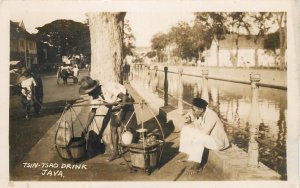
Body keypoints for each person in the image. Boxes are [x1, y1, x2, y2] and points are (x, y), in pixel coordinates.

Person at [79, 76, 131, 161]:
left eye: (89, 92)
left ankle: (132, 151)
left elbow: (125, 98)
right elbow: (92, 112)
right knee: (113, 129)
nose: (89, 94)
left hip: (127, 103)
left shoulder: (108, 87)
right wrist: (86, 127)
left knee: (129, 130)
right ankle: (115, 153)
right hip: (116, 107)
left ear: (94, 89)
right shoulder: (96, 96)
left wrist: (121, 114)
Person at [179, 98, 230, 175]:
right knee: (186, 129)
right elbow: (198, 128)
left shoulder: (211, 116)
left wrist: (194, 120)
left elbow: (204, 133)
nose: (192, 111)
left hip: (218, 142)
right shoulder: (201, 113)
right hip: (209, 138)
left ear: (201, 109)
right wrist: (190, 121)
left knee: (199, 137)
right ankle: (188, 155)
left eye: (194, 109)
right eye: (192, 109)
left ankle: (197, 165)